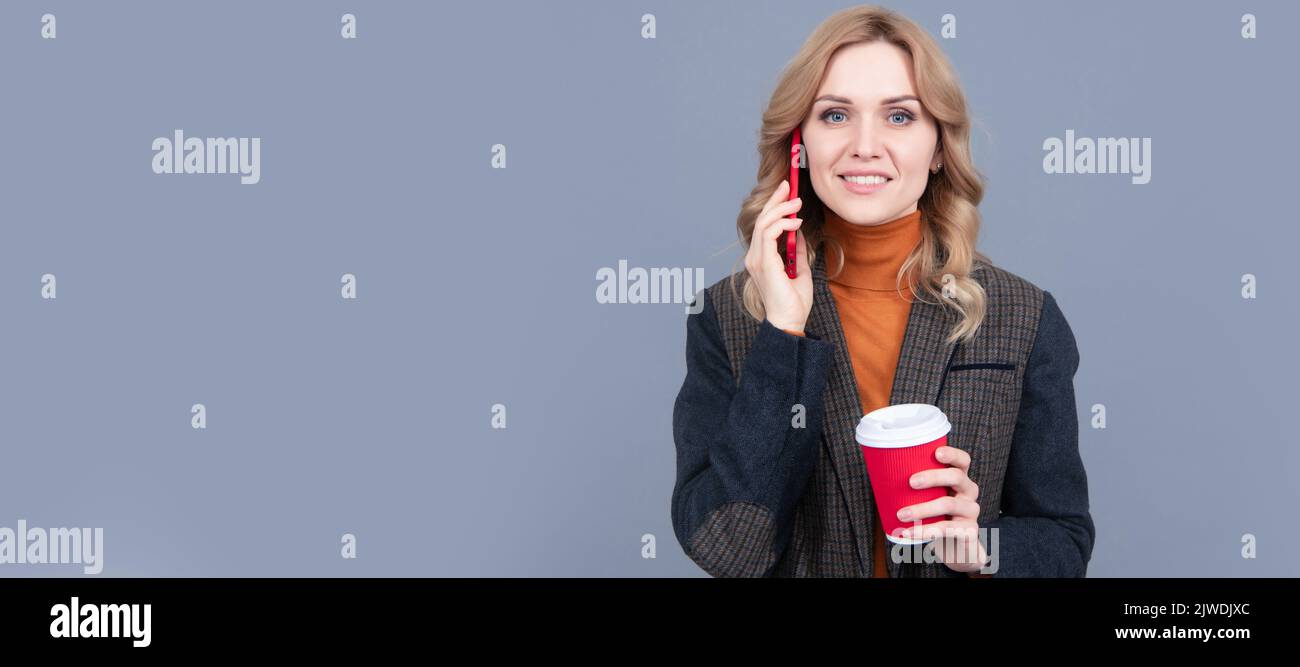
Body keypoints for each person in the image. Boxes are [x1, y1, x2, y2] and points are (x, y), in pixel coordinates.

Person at [670, 5, 1095, 577]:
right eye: (835, 115)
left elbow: (1064, 544)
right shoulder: (725, 316)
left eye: (899, 117)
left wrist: (980, 548)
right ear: (799, 145)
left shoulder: (1023, 315)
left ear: (939, 147)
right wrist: (783, 332)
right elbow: (732, 549)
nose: (864, 146)